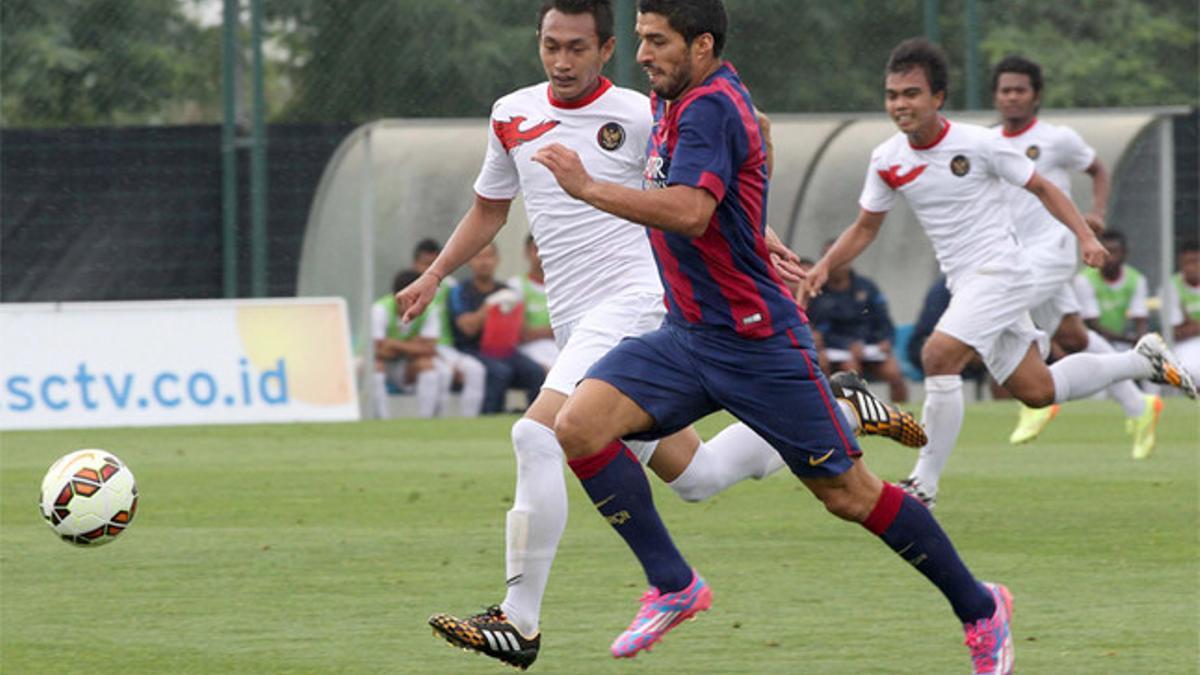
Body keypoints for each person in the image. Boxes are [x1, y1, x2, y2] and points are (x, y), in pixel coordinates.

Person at [401, 1, 923, 669]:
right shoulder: (510, 114)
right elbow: (489, 209)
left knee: (536, 431)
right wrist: (436, 275)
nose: (562, 61)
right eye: (550, 46)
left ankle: (518, 619)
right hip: (578, 322)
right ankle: (843, 406)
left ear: (607, 48)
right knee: (697, 477)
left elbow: (711, 176)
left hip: (639, 301)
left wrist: (758, 239)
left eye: (577, 48)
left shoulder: (644, 110)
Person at [534, 12, 1009, 672]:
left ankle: (982, 608)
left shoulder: (709, 107)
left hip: (757, 343)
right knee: (579, 425)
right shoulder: (676, 100)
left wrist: (588, 187)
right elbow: (737, 174)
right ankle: (675, 584)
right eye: (640, 37)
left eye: (656, 41)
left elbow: (691, 210)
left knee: (851, 495)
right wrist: (752, 228)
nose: (642, 53)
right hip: (687, 333)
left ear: (701, 44)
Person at [803, 39, 1196, 514]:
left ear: (937, 97)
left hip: (1002, 272)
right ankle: (1140, 363)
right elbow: (866, 227)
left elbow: (1044, 187)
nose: (900, 105)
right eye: (892, 95)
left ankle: (923, 484)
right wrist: (824, 266)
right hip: (964, 281)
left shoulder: (978, 143)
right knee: (1036, 390)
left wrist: (1086, 238)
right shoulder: (888, 159)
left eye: (911, 94)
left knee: (938, 354)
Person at [989, 56, 1161, 457]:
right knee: (1074, 336)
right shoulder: (989, 142)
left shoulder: (1056, 138)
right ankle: (1140, 405)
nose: (1012, 97)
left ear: (1035, 96)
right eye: (1005, 90)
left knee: (996, 308)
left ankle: (1035, 395)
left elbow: (1098, 169)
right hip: (1017, 253)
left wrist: (1096, 215)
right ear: (996, 96)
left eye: (1020, 90)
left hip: (1054, 249)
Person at [446, 242, 546, 414]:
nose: (484, 262)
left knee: (535, 372)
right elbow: (467, 328)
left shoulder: (506, 289)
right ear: (469, 261)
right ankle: (489, 419)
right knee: (500, 372)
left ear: (497, 259)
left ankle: (535, 420)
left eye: (489, 256)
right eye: (479, 256)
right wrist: (489, 306)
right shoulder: (459, 291)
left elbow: (518, 331)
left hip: (504, 349)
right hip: (472, 349)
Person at [807, 238, 909, 402]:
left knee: (894, 373)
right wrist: (846, 345)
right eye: (831, 258)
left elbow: (884, 321)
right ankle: (854, 416)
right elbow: (817, 329)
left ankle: (901, 419)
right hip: (836, 352)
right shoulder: (817, 292)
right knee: (851, 370)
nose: (838, 263)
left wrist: (886, 341)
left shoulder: (867, 287)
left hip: (870, 349)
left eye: (841, 257)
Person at [369, 269, 448, 419]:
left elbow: (429, 349)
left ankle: (426, 420)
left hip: (404, 364)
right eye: (407, 298)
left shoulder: (430, 309)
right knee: (375, 366)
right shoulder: (380, 309)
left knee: (428, 366)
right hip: (379, 363)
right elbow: (374, 350)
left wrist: (392, 344)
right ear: (396, 296)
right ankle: (382, 420)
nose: (411, 304)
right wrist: (413, 346)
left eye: (415, 298)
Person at [1073, 230, 1150, 350]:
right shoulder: (1084, 280)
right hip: (1089, 342)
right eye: (1105, 252)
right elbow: (1092, 324)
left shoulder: (1137, 279)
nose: (1109, 258)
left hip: (1120, 340)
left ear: (1124, 254)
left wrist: (1142, 342)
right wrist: (1130, 340)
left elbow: (1140, 319)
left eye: (1113, 252)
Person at [508, 235, 559, 371]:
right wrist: (552, 331)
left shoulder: (561, 287)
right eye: (536, 249)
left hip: (558, 347)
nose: (540, 254)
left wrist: (538, 331)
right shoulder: (516, 285)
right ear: (526, 253)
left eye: (545, 249)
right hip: (528, 350)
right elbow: (522, 334)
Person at [1161, 240, 1200, 385]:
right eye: (1187, 263)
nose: (1191, 267)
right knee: (1190, 370)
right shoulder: (1170, 287)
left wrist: (1190, 322)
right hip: (1185, 344)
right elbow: (1176, 332)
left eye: (1196, 262)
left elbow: (1187, 327)